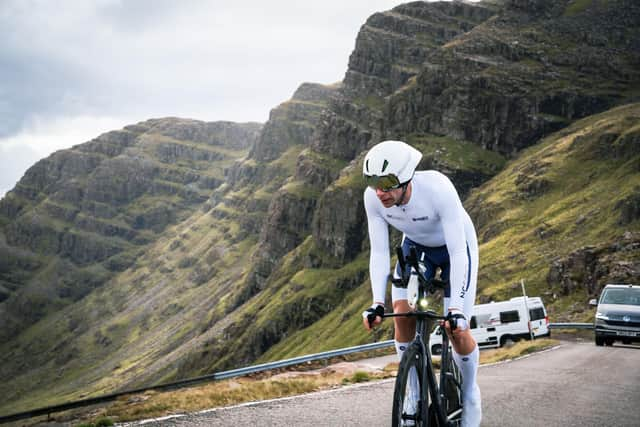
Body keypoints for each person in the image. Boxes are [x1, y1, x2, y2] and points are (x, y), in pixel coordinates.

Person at [361, 140, 481, 427]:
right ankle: (413, 392)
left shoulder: (438, 189)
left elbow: (457, 252)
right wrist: (378, 303)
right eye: (372, 181)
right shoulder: (373, 199)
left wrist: (454, 309)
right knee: (401, 314)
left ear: (406, 178)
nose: (379, 191)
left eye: (387, 183)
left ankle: (469, 393)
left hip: (455, 248)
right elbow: (378, 252)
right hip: (416, 247)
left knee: (457, 329)